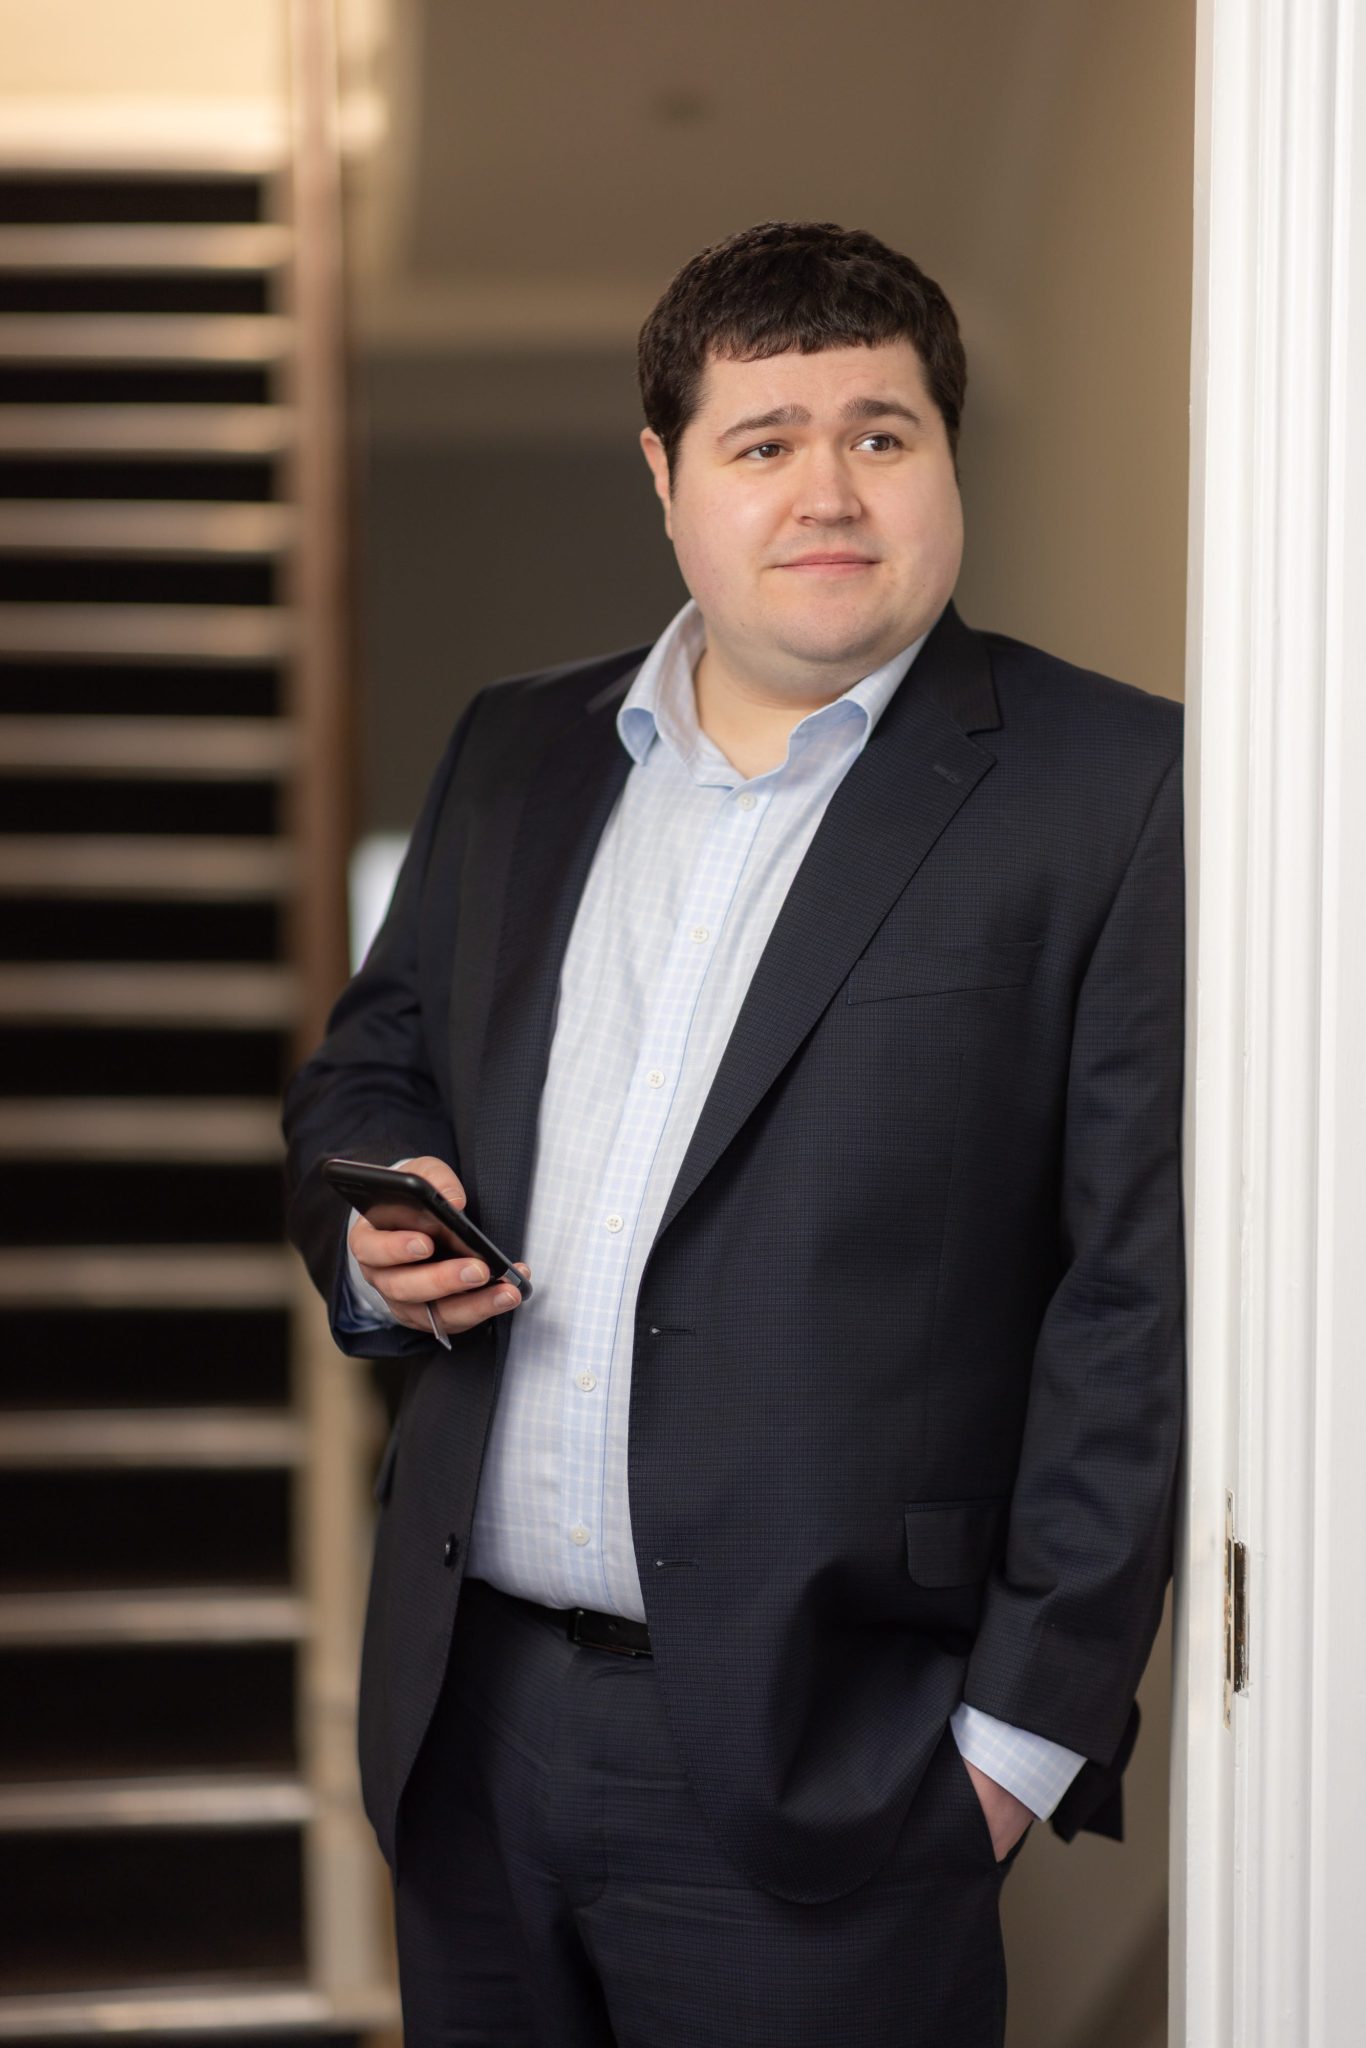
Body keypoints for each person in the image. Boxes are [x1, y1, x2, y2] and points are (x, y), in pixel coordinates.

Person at [283, 220, 1185, 2048]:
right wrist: (373, 1244)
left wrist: (1011, 1747)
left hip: (840, 1766)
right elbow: (369, 1069)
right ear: (667, 480)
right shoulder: (515, 749)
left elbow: (1138, 1291)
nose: (825, 490)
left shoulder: (1117, 786)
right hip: (470, 1727)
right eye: (762, 441)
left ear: (946, 459)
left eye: (881, 431)